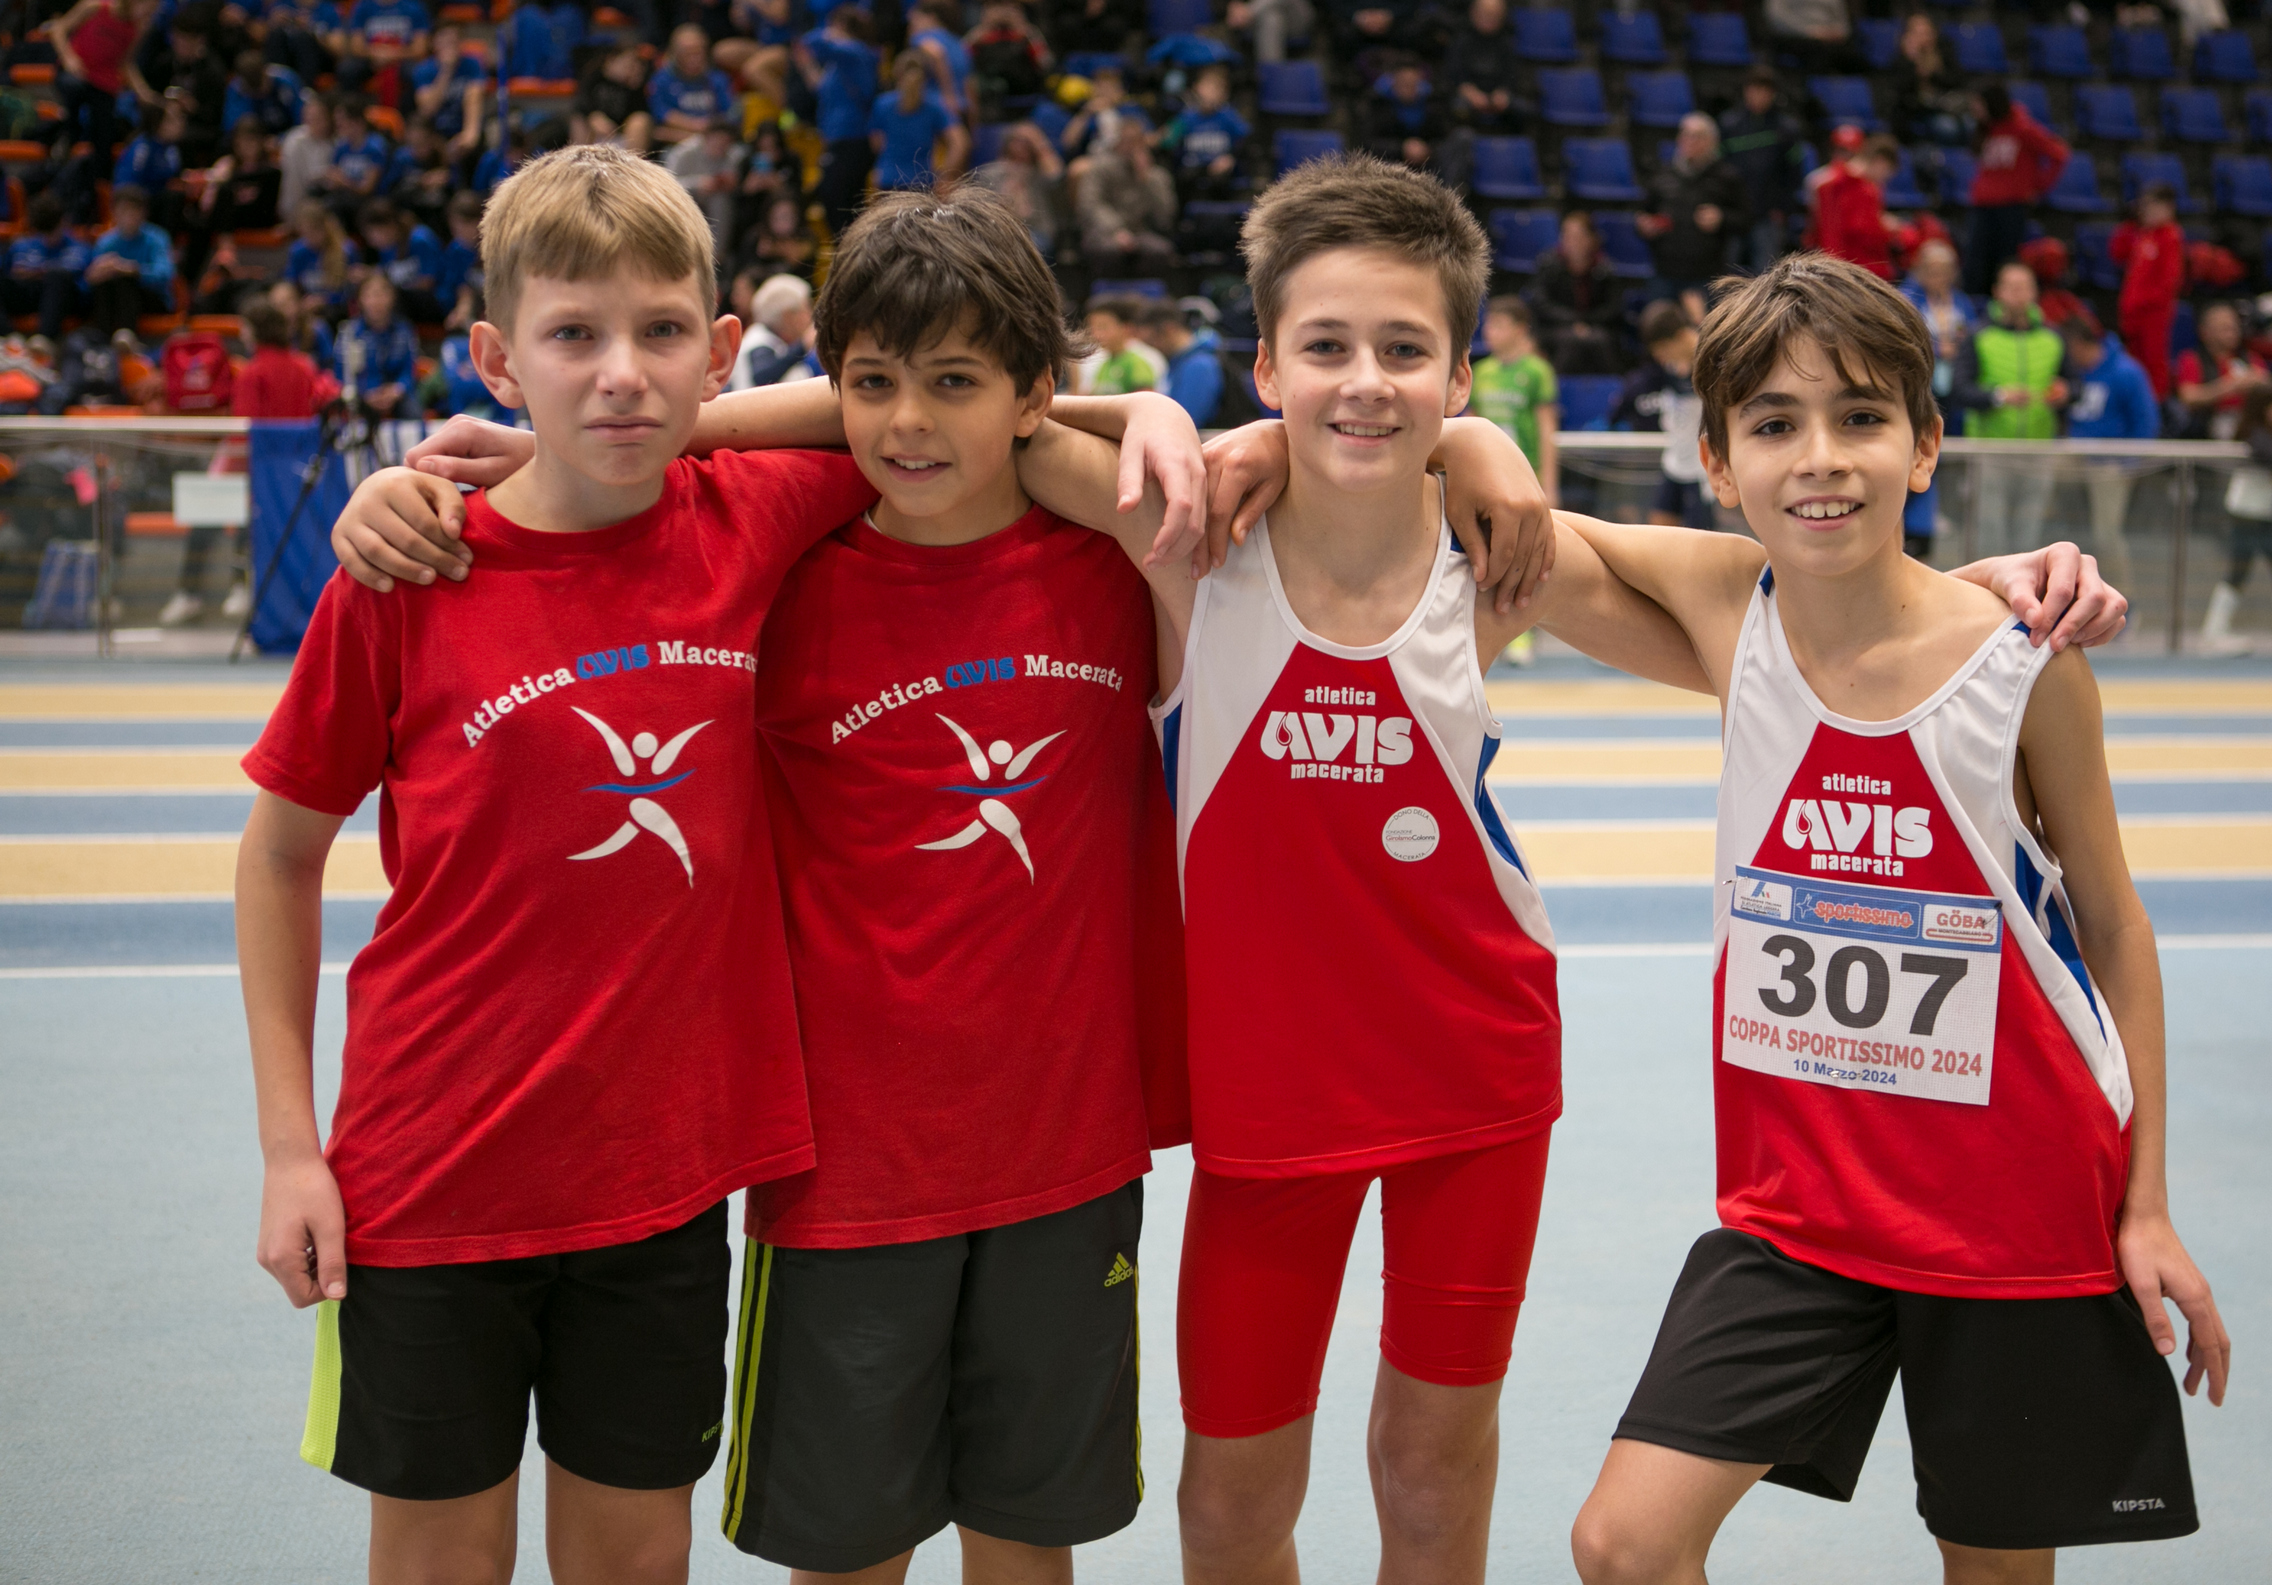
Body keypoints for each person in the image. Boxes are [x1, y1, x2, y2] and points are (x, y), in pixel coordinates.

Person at [235, 143, 880, 1585]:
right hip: (431, 1175)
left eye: (663, 333)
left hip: (663, 1179)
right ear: (495, 358)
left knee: (635, 1561)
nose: (621, 376)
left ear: (722, 347)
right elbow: (278, 859)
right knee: (440, 1563)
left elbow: (932, 400)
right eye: (572, 335)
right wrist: (289, 1150)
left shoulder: (753, 515)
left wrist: (1179, 414)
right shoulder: (407, 570)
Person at [1557, 247, 2224, 1585]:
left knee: (1994, 1570)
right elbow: (1490, 520)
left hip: (2014, 1212)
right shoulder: (1726, 613)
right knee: (1624, 1545)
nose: (1821, 456)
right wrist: (1464, 434)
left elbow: (2114, 926)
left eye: (1860, 416)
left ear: (1924, 444)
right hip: (1796, 1211)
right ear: (1715, 460)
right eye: (1773, 424)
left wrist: (2145, 1205)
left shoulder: (2022, 663)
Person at [1956, 259, 2066, 555]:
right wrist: (1999, 397)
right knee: (1988, 529)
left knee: (2031, 532)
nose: (2018, 294)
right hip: (1990, 449)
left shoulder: (2053, 337)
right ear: (1998, 292)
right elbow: (1960, 389)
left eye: (2025, 287)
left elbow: (2074, 384)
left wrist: (2065, 393)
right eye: (2012, 287)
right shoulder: (1979, 335)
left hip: (2038, 448)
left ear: (2034, 292)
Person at [2060, 312, 2158, 590]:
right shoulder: (2074, 374)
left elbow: (2146, 423)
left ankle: (2123, 598)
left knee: (2106, 535)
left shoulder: (2126, 371)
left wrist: (2128, 465)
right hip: (2074, 457)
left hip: (2110, 464)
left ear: (2077, 345)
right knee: (2062, 531)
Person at [1965, 83, 2069, 297]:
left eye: (1979, 104)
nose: (1974, 108)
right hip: (1983, 204)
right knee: (1976, 260)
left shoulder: (2023, 129)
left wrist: (2039, 185)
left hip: (2011, 206)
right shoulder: (1985, 130)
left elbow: (2059, 153)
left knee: (2004, 260)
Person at [1613, 302, 1710, 529]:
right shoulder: (1671, 366)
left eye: (1663, 349)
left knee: (1700, 535)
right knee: (1659, 525)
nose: (1660, 357)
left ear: (1681, 336)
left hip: (1702, 468)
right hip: (1676, 461)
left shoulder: (1712, 361)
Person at [1639, 114, 1747, 309]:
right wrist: (1645, 226)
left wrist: (1721, 218)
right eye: (1685, 135)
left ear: (1712, 141)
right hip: (1665, 272)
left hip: (1706, 275)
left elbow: (1747, 221)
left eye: (1697, 136)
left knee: (1703, 327)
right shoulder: (1662, 175)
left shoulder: (1727, 178)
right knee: (1658, 326)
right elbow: (1644, 214)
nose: (1689, 141)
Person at [796, 6, 880, 236]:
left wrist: (829, 34)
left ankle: (851, 247)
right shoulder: (839, 64)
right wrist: (806, 65)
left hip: (853, 139)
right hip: (835, 139)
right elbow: (821, 89)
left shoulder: (857, 52)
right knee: (839, 201)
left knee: (839, 199)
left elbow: (812, 40)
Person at [1470, 294, 1558, 507]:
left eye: (1499, 325)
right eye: (1489, 324)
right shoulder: (1481, 371)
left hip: (1527, 473)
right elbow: (1471, 424)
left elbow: (1547, 428)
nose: (1489, 331)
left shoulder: (1538, 371)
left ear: (1520, 330)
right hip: (1488, 472)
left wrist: (1549, 486)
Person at [2204, 384, 2272, 651]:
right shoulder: (2253, 433)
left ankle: (2214, 631)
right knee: (2236, 573)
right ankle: (2214, 632)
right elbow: (2266, 454)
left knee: (2237, 574)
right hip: (2248, 515)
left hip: (2264, 514)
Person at [1720, 67, 1804, 275]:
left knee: (1766, 275)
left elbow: (1794, 173)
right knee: (1726, 275)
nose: (1758, 96)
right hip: (1733, 214)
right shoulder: (1728, 126)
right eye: (1754, 89)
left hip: (1768, 215)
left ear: (1772, 94)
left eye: (1764, 91)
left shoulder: (1787, 129)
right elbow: (1720, 169)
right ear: (1746, 91)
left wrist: (1782, 208)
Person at [47, 0, 138, 181]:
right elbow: (58, 29)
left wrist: (145, 94)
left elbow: (126, 62)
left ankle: (96, 183)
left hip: (104, 84)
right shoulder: (95, 7)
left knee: (105, 136)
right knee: (74, 89)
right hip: (78, 75)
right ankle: (64, 138)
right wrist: (68, 58)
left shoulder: (136, 28)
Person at [2111, 182, 2185, 403]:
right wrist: (2129, 223)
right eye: (2145, 208)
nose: (2148, 213)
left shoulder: (2170, 237)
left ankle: (2157, 405)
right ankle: (2134, 401)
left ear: (2168, 209)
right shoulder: (2143, 234)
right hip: (2133, 311)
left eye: (2154, 208)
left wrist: (2143, 303)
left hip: (2153, 313)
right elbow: (2117, 253)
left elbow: (2169, 281)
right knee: (2132, 361)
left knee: (2153, 361)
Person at [1077, 120, 1179, 279]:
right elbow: (1090, 204)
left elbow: (1165, 216)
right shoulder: (1100, 168)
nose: (1131, 146)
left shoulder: (1155, 176)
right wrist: (1116, 230)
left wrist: (1148, 179)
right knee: (1108, 251)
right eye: (1127, 140)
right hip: (1103, 232)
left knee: (1161, 250)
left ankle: (1150, 293)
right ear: (1118, 141)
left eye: (1136, 141)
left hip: (1139, 231)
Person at [1529, 210, 1624, 374]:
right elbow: (1541, 303)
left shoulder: (1605, 270)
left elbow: (1613, 308)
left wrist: (1586, 322)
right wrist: (1573, 322)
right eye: (1567, 236)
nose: (1572, 242)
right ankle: (1555, 385)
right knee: (1570, 341)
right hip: (1555, 328)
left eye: (1579, 236)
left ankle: (1613, 386)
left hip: (1596, 327)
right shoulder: (1549, 265)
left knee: (1600, 340)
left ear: (1592, 239)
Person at [82, 185, 174, 343]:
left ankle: (127, 337)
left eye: (134, 210)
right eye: (123, 210)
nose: (128, 215)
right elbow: (87, 281)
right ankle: (102, 340)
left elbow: (165, 274)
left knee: (125, 280)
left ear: (144, 213)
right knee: (105, 284)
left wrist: (133, 269)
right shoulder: (106, 242)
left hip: (151, 298)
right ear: (114, 212)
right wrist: (95, 275)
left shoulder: (157, 238)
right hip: (113, 298)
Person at [2173, 300, 2270, 441]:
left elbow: (2267, 389)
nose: (2232, 333)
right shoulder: (2192, 359)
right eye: (2225, 328)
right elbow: (2188, 397)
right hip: (2210, 423)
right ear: (2205, 332)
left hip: (2250, 422)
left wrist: (2260, 382)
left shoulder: (2251, 359)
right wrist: (2230, 386)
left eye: (2234, 327)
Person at [869, 50, 962, 191]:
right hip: (922, 181)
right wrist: (945, 176)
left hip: (888, 178)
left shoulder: (882, 104)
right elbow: (959, 143)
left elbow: (876, 143)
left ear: (896, 74)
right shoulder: (934, 105)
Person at [969, 121, 1065, 257]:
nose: (1021, 146)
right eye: (1017, 140)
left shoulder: (1040, 173)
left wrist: (1039, 143)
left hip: (1035, 230)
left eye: (1027, 142)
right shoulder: (990, 173)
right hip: (997, 229)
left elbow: (1056, 178)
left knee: (1031, 246)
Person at [1812, 129, 1898, 281]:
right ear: (1880, 162)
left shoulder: (1871, 188)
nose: (1884, 179)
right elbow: (1833, 233)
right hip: (1846, 269)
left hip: (1864, 267)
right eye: (1886, 173)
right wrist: (1887, 228)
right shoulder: (1833, 183)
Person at [4, 194, 90, 345]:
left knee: (57, 277)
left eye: (53, 231)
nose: (48, 238)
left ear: (64, 222)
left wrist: (36, 273)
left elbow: (85, 288)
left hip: (63, 300)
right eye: (44, 233)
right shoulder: (20, 246)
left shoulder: (80, 249)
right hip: (29, 296)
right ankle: (9, 339)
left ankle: (44, 342)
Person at [1158, 64, 1249, 203]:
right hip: (1192, 171)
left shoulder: (1229, 117)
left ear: (1223, 94)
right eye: (1207, 87)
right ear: (1197, 88)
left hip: (1219, 171)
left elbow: (1245, 141)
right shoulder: (1186, 117)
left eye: (1216, 89)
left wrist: (1231, 158)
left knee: (1221, 180)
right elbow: (1166, 140)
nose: (1210, 93)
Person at [334, 271, 417, 416]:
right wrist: (365, 394)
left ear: (392, 297)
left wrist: (396, 390)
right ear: (360, 299)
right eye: (370, 295)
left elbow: (409, 370)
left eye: (382, 294)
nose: (376, 301)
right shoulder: (349, 332)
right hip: (360, 395)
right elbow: (341, 374)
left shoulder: (404, 331)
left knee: (413, 411)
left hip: (396, 396)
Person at [1440, 0, 1526, 138]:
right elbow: (1454, 74)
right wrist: (1471, 93)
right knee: (1458, 108)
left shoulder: (1507, 43)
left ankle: (1510, 146)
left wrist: (1503, 93)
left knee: (1522, 109)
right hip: (1468, 95)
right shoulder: (1461, 41)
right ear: (1473, 13)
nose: (1490, 19)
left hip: (1497, 96)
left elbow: (1512, 75)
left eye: (1495, 15)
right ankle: (1464, 142)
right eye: (1486, 14)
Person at [666, 117, 746, 256]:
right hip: (683, 196)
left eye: (725, 143)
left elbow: (733, 180)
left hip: (713, 198)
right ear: (707, 138)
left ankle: (718, 255)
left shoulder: (731, 156)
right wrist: (698, 184)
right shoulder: (684, 153)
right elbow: (667, 184)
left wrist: (729, 183)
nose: (721, 146)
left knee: (721, 200)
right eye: (718, 141)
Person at [649, 22, 740, 146]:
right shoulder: (661, 80)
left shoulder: (718, 79)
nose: (694, 59)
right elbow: (662, 115)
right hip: (675, 144)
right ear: (675, 54)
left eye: (698, 52)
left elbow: (730, 115)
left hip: (715, 142)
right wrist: (696, 127)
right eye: (687, 53)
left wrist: (707, 129)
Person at [1140, 298, 1225, 427]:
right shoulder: (1177, 362)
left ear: (1169, 329)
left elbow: (1186, 421)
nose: (1152, 348)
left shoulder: (1199, 366)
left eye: (1152, 340)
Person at [358, 196, 443, 325]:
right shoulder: (385, 247)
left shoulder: (420, 240)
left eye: (376, 234)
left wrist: (389, 289)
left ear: (391, 226)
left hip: (433, 301)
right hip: (406, 300)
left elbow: (428, 282)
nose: (373, 241)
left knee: (389, 297)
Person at [727, 271, 818, 389]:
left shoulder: (779, 342)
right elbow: (761, 378)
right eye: (806, 309)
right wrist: (802, 345)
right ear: (788, 316)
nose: (810, 315)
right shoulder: (758, 340)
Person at [1888, 12, 1969, 146]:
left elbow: (1958, 81)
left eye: (1927, 33)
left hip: (1946, 107)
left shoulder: (1944, 52)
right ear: (1907, 36)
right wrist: (1912, 62)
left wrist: (1932, 74)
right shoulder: (1901, 60)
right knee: (1947, 127)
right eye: (1917, 33)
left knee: (1970, 124)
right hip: (1916, 113)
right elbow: (1900, 92)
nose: (1923, 38)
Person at [1359, 55, 1447, 175]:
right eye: (1404, 83)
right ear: (1393, 80)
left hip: (1429, 161)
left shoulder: (1433, 102)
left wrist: (1427, 149)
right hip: (1389, 165)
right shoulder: (1377, 103)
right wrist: (1402, 148)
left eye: (1413, 84)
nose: (1408, 88)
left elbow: (1444, 138)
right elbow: (1367, 143)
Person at [573, 42, 656, 154]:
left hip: (622, 130)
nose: (631, 68)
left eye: (634, 64)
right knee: (578, 120)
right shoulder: (594, 79)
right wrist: (593, 116)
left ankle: (631, 161)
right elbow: (580, 104)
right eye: (627, 64)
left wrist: (636, 86)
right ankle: (579, 158)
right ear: (611, 61)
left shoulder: (633, 86)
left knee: (640, 120)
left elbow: (641, 111)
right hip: (594, 131)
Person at [1084, 294, 1156, 395]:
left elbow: (1147, 400)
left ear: (1126, 328)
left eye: (1103, 327)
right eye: (1093, 328)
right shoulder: (1104, 366)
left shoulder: (1137, 363)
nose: (1096, 334)